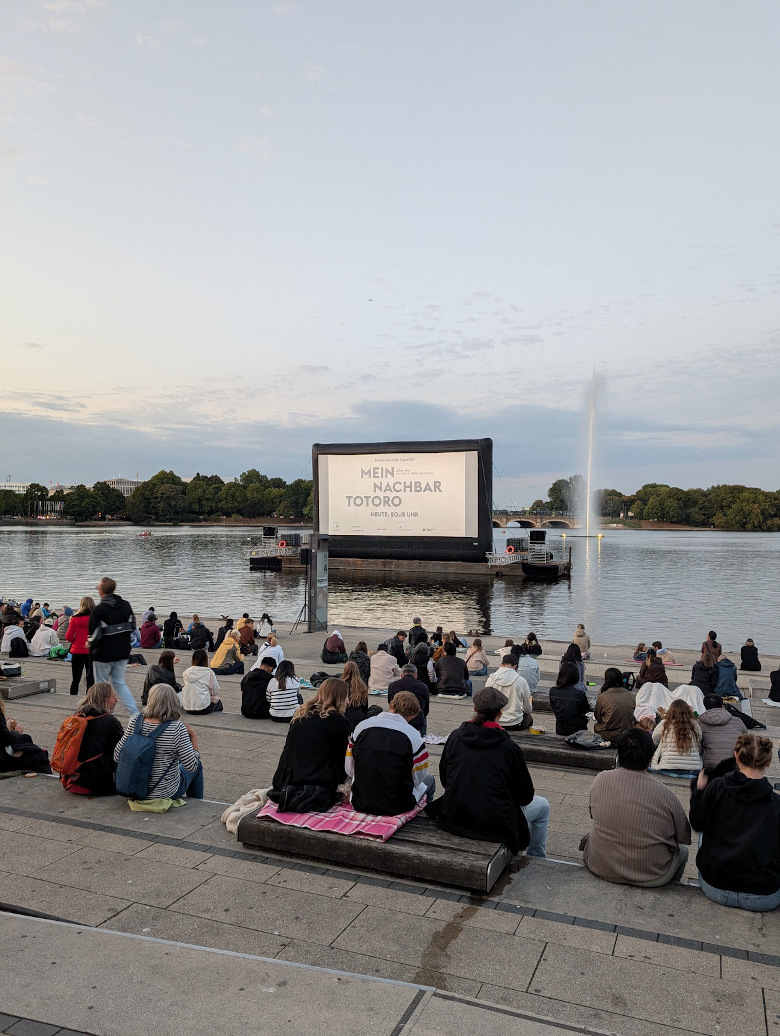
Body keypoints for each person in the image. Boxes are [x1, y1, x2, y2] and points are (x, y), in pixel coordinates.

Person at [427, 686, 549, 857]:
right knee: (543, 806)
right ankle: (536, 857)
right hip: (493, 824)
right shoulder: (508, 748)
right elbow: (525, 796)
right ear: (500, 712)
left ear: (475, 709)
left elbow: (446, 780)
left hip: (455, 815)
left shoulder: (455, 736)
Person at [580, 728, 691, 887]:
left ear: (619, 755)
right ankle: (671, 892)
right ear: (650, 759)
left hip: (600, 866)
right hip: (651, 876)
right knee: (683, 851)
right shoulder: (665, 794)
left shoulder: (600, 779)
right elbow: (683, 837)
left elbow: (593, 814)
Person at [689, 732, 780, 912]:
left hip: (715, 887)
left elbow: (697, 823)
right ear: (768, 762)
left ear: (736, 756)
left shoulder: (716, 787)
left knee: (704, 834)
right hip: (762, 896)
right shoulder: (776, 804)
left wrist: (699, 791)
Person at [346, 691, 434, 815]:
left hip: (360, 800)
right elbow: (420, 777)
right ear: (413, 716)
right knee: (430, 780)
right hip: (397, 805)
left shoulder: (361, 727)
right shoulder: (414, 736)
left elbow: (349, 769)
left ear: (391, 705)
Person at [270, 677, 351, 808]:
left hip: (285, 779)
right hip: (316, 780)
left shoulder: (300, 714)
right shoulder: (338, 721)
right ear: (338, 697)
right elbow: (342, 761)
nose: (348, 701)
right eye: (346, 697)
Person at [114, 684, 203, 800]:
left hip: (133, 789)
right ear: (174, 702)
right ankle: (197, 804)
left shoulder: (136, 722)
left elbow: (117, 756)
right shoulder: (177, 728)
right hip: (163, 793)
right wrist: (193, 737)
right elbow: (191, 766)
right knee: (197, 765)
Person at [56, 682, 123, 795]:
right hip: (96, 784)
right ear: (104, 699)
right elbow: (123, 749)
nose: (116, 700)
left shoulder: (77, 716)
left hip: (72, 781)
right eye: (113, 697)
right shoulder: (110, 722)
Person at [89, 577, 138, 717]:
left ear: (102, 591)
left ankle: (101, 715)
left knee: (101, 685)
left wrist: (89, 643)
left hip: (103, 654)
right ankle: (134, 714)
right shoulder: (126, 605)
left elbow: (94, 634)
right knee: (120, 684)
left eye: (98, 587)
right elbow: (132, 626)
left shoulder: (99, 610)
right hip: (122, 652)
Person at [650, 699, 703, 777]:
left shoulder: (664, 724)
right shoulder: (694, 724)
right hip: (692, 769)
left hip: (667, 766)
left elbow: (654, 741)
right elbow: (700, 739)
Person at [0, 698, 51, 774]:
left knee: (26, 738)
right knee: (38, 755)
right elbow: (6, 739)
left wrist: (7, 728)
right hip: (2, 757)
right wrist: (16, 732)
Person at [698, 694, 746, 770]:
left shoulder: (700, 723)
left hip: (709, 766)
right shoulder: (737, 721)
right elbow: (747, 740)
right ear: (722, 705)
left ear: (704, 706)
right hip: (733, 764)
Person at [484, 655, 532, 730]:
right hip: (514, 723)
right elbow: (528, 709)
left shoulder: (491, 679)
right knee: (529, 719)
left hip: (495, 721)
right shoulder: (521, 681)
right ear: (515, 666)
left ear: (501, 664)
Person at [594, 668, 636, 744]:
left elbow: (598, 717)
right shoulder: (631, 695)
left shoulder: (603, 696)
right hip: (627, 733)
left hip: (607, 734)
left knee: (597, 726)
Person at [549, 661, 590, 737]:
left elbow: (553, 707)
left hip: (560, 729)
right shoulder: (579, 694)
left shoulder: (553, 691)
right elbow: (585, 710)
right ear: (575, 676)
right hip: (578, 730)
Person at [388, 663, 430, 735]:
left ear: (401, 675)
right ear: (416, 675)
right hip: (416, 722)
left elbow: (390, 703)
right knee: (423, 715)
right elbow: (426, 710)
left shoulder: (392, 686)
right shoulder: (423, 687)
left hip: (396, 721)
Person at [65, 597, 94, 695]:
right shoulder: (95, 618)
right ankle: (89, 697)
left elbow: (68, 636)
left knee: (76, 678)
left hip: (77, 650)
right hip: (91, 650)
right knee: (90, 677)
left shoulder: (74, 618)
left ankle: (73, 695)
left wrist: (76, 640)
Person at [182, 649, 223, 714]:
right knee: (219, 703)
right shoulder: (209, 673)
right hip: (203, 708)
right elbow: (215, 690)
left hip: (187, 707)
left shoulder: (186, 672)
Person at [341, 660, 377, 731]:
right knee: (376, 709)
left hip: (344, 718)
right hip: (359, 719)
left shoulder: (340, 684)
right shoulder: (362, 686)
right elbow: (365, 707)